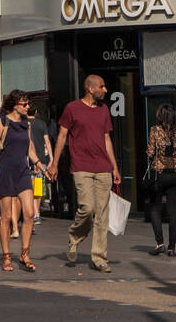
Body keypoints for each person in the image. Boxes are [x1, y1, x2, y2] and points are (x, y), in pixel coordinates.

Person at [47, 74, 122, 272]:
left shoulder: (104, 109)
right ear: (90, 89)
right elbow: (62, 136)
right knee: (87, 208)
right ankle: (74, 236)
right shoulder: (72, 108)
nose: (105, 90)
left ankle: (99, 257)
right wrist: (54, 163)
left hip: (103, 167)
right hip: (81, 166)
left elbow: (107, 139)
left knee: (102, 215)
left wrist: (114, 166)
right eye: (102, 86)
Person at [0, 90, 44, 273]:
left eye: (29, 104)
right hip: (5, 171)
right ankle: (6, 256)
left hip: (22, 172)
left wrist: (42, 166)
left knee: (28, 214)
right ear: (15, 105)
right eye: (24, 104)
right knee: (6, 218)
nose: (28, 107)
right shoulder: (2, 122)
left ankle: (25, 254)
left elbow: (30, 149)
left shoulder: (27, 123)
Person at [146, 103, 176, 257]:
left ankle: (160, 243)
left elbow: (150, 153)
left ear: (160, 116)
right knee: (173, 211)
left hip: (160, 175)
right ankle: (172, 248)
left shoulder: (154, 131)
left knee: (155, 209)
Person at [11, 106, 52, 235]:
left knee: (26, 190)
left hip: (28, 160)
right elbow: (46, 142)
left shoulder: (25, 124)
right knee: (37, 187)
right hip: (35, 159)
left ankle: (30, 215)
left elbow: (29, 144)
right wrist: (50, 158)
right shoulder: (41, 124)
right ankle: (36, 212)